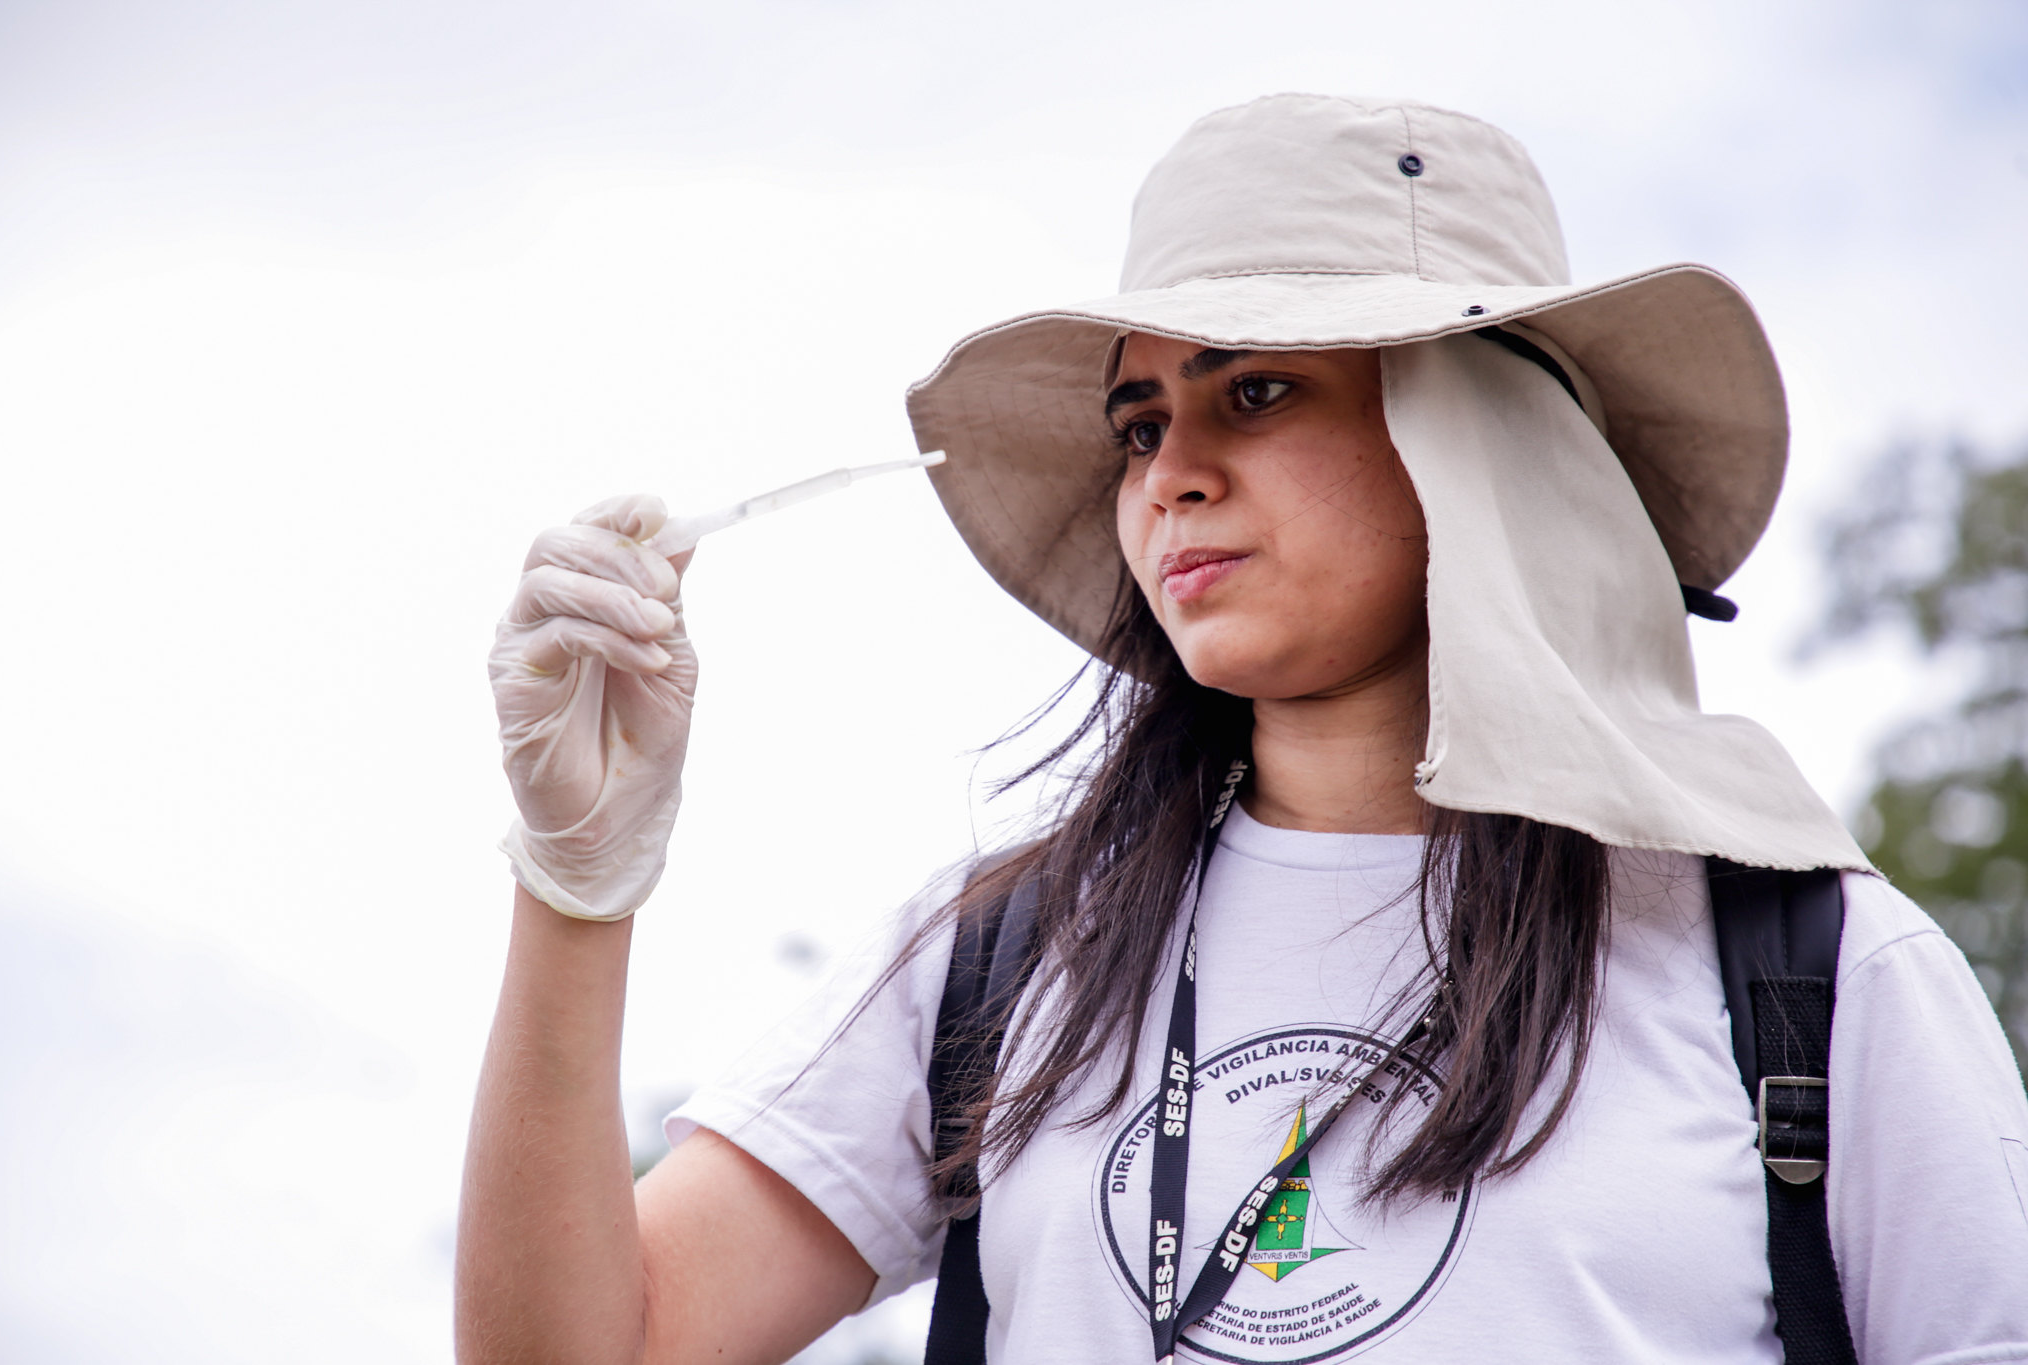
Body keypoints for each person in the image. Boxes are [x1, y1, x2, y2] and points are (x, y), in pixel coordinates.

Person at [457, 95, 2028, 1365]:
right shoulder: (1002, 962)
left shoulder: (1812, 969)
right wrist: (577, 887)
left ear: (1481, 436)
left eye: (1257, 391)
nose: (1170, 476)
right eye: (1139, 423)